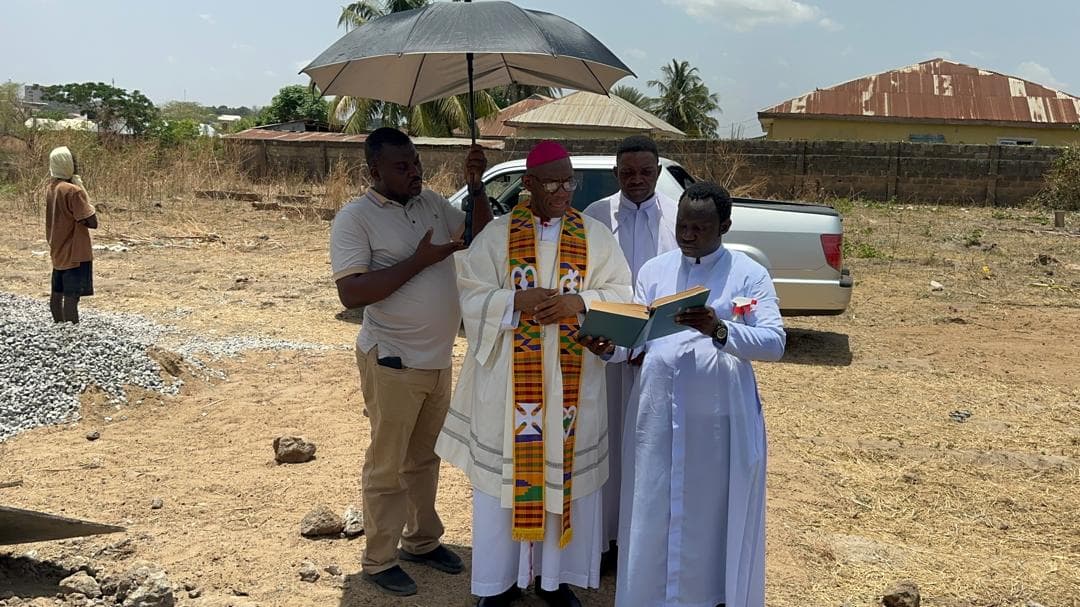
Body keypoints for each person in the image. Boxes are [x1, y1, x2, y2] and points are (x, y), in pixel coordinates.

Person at [435, 140, 632, 607]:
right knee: (503, 489)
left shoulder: (596, 236)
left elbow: (622, 290)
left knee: (563, 482)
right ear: (528, 185)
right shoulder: (498, 235)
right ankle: (498, 585)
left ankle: (552, 580)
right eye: (553, 182)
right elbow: (468, 292)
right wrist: (512, 301)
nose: (564, 190)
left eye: (570, 181)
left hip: (570, 384)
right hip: (510, 388)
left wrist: (578, 302)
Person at [584, 181, 786, 607]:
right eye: (682, 226)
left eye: (699, 228)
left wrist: (719, 328)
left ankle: (707, 596)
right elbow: (635, 341)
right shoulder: (655, 271)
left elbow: (774, 343)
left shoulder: (749, 273)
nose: (687, 235)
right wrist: (609, 348)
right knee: (653, 504)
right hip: (656, 411)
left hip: (718, 417)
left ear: (724, 226)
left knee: (710, 511)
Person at [329, 127, 493, 597]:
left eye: (416, 161)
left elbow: (478, 236)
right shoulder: (355, 219)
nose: (414, 171)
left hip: (437, 360)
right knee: (388, 462)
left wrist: (478, 186)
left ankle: (420, 541)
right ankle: (379, 560)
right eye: (402, 166)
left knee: (424, 458)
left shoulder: (432, 204)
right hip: (393, 361)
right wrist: (420, 261)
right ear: (374, 171)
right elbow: (352, 292)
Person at [582, 134, 679, 558]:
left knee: (648, 446)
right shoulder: (594, 215)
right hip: (606, 347)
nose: (635, 179)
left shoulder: (679, 217)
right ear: (615, 174)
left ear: (657, 172)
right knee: (606, 443)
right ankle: (603, 541)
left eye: (644, 172)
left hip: (658, 349)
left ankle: (640, 543)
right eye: (626, 172)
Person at [46, 146, 97, 324]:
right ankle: (72, 334)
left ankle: (59, 329)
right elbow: (92, 221)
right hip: (75, 253)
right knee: (71, 297)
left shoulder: (52, 187)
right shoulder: (73, 190)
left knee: (57, 294)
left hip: (58, 250)